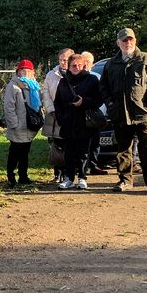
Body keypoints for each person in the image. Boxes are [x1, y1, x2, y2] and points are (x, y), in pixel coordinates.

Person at [99, 28, 147, 196]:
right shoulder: (111, 64)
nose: (128, 43)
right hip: (120, 113)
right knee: (123, 149)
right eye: (124, 40)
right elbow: (103, 86)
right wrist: (111, 104)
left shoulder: (146, 59)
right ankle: (125, 180)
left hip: (143, 114)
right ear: (118, 43)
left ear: (135, 40)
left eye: (131, 39)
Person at [54, 53, 102, 190]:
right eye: (73, 66)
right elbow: (57, 101)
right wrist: (60, 117)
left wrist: (84, 102)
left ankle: (82, 177)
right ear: (68, 67)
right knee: (68, 152)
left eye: (79, 65)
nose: (76, 68)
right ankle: (69, 178)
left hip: (85, 122)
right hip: (68, 122)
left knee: (84, 152)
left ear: (84, 66)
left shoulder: (92, 80)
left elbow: (99, 99)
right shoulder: (63, 82)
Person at [3, 59, 41, 187]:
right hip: (18, 125)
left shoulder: (34, 86)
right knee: (14, 152)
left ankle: (23, 176)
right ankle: (11, 176)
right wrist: (14, 124)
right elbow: (9, 107)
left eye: (28, 71)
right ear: (18, 71)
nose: (25, 73)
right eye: (23, 70)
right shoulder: (13, 86)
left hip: (29, 125)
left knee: (25, 152)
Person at [42, 48, 74, 182]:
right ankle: (57, 172)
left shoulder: (76, 72)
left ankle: (69, 171)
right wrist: (51, 109)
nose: (63, 62)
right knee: (56, 143)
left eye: (65, 60)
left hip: (71, 113)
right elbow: (46, 93)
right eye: (61, 60)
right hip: (55, 113)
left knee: (69, 144)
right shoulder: (51, 74)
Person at [79, 51, 108, 176]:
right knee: (82, 143)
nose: (86, 64)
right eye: (83, 61)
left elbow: (102, 95)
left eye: (88, 62)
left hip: (96, 114)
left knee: (95, 142)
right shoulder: (76, 77)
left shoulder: (96, 76)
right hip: (80, 115)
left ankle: (94, 165)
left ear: (92, 63)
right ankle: (80, 167)